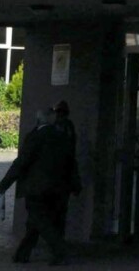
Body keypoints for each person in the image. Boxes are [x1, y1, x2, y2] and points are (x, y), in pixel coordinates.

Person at [0, 107, 75, 266]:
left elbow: (22, 162)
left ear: (38, 120)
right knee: (36, 221)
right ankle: (22, 254)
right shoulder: (62, 136)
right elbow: (71, 163)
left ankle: (59, 251)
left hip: (37, 187)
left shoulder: (35, 137)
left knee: (39, 220)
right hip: (58, 187)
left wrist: (4, 184)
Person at [52, 100, 81, 237]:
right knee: (60, 210)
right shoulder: (69, 126)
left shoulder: (58, 127)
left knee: (56, 211)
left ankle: (57, 240)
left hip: (59, 175)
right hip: (65, 174)